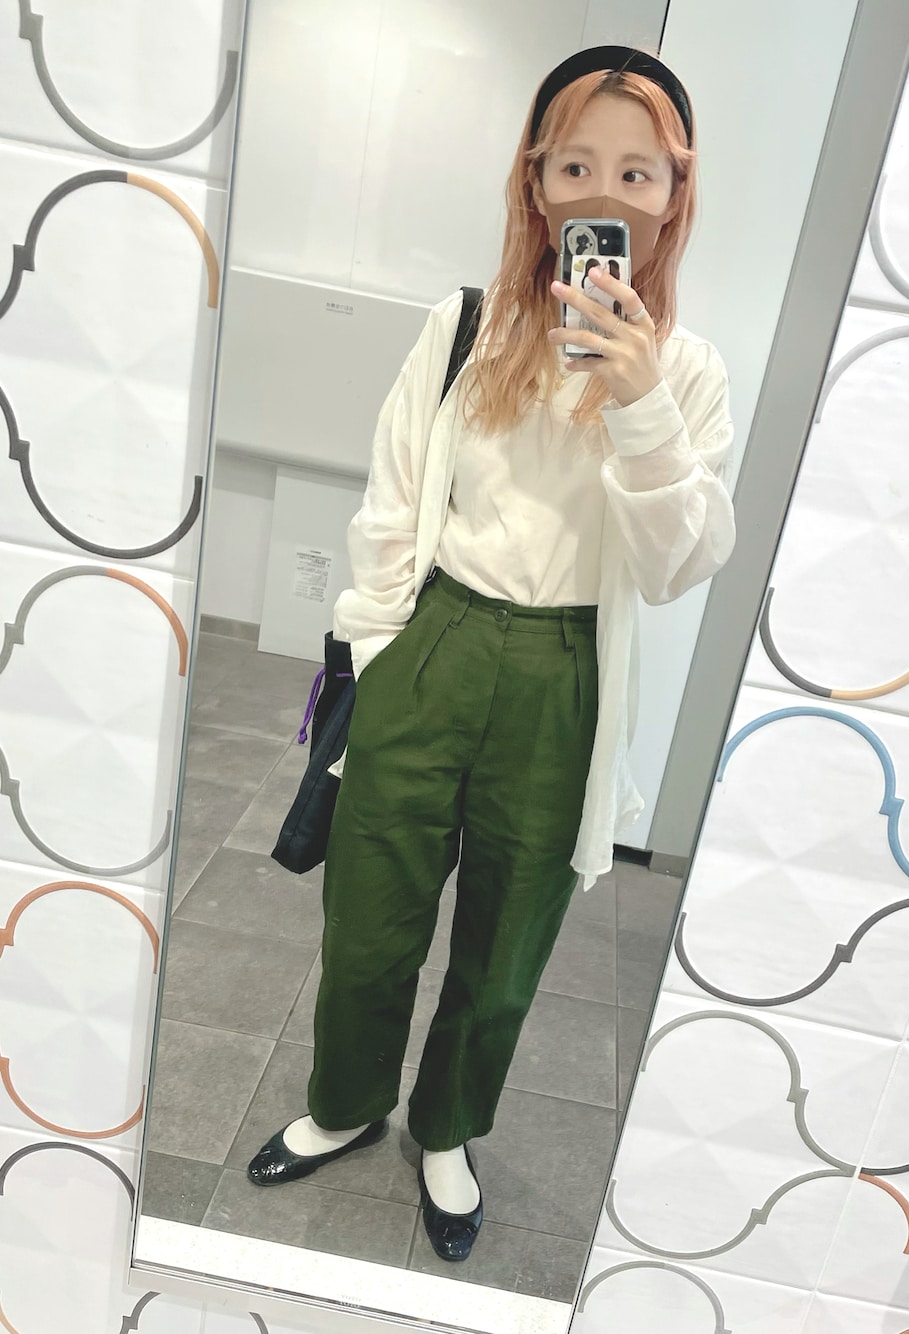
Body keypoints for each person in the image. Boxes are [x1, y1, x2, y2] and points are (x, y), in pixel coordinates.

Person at [247, 44, 736, 1263]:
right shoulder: (464, 324)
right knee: (370, 918)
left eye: (636, 173)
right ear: (536, 179)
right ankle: (346, 1102)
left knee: (507, 944)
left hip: (564, 679)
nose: (603, 195)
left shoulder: (687, 372)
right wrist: (373, 659)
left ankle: (448, 1129)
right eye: (576, 166)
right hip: (437, 640)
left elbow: (676, 564)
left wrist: (639, 400)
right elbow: (390, 500)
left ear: (673, 193)